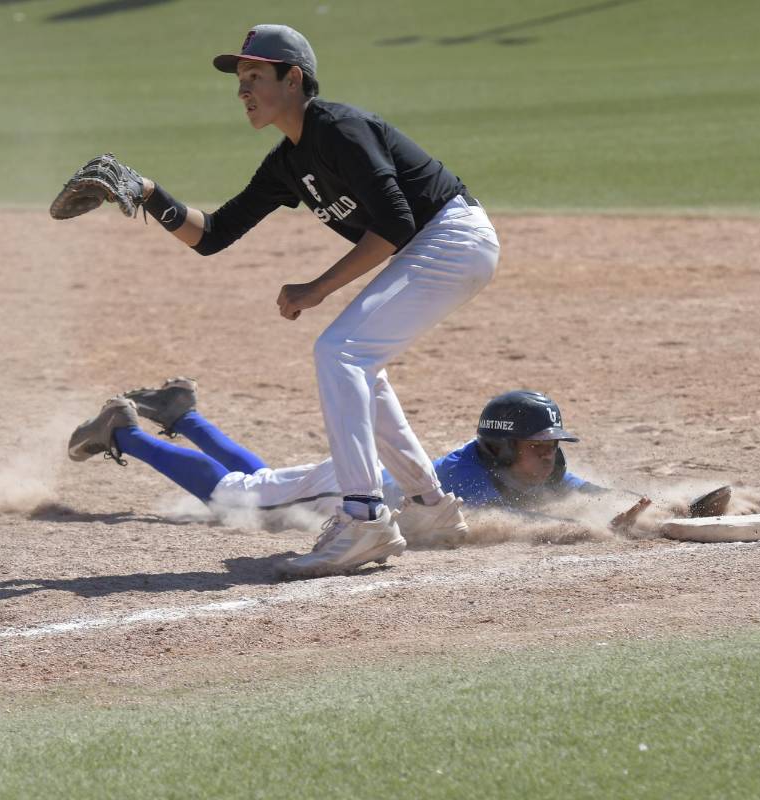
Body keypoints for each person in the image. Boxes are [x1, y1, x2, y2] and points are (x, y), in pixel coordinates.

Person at [81, 24, 499, 577]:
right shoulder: (289, 162)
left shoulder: (340, 129)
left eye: (254, 76)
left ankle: (364, 519)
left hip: (453, 238)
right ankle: (429, 509)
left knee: (340, 352)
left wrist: (316, 288)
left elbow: (397, 222)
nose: (242, 91)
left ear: (293, 77)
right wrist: (151, 194)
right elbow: (213, 234)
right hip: (432, 247)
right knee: (360, 365)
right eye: (240, 80)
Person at [67, 381, 702, 563]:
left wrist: (658, 507)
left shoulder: (532, 467)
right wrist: (600, 530)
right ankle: (122, 429)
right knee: (240, 494)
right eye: (537, 446)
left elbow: (585, 493)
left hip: (354, 478)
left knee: (267, 486)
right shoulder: (469, 479)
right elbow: (519, 523)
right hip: (358, 484)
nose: (549, 455)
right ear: (503, 449)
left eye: (552, 445)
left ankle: (185, 417)